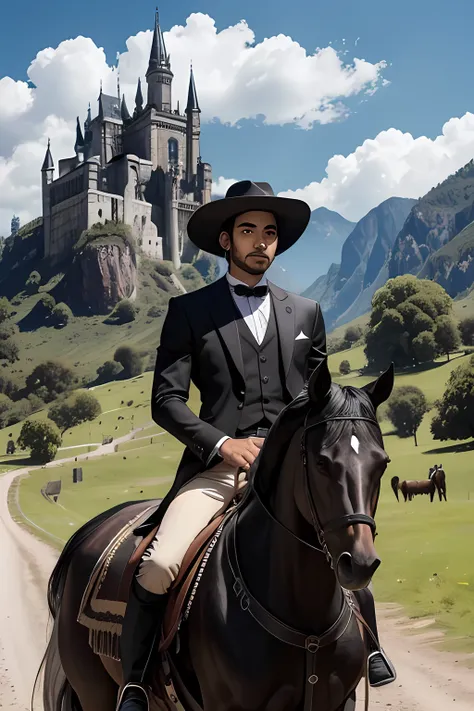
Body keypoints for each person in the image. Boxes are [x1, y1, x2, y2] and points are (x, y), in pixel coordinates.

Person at [117, 180, 396, 711]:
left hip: (293, 469)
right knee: (159, 564)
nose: (261, 242)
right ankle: (135, 679)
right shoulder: (188, 312)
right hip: (218, 469)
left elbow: (321, 398)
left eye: (269, 233)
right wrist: (221, 443)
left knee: (348, 543)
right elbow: (166, 400)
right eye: (248, 231)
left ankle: (371, 646)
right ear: (226, 241)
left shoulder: (307, 314)